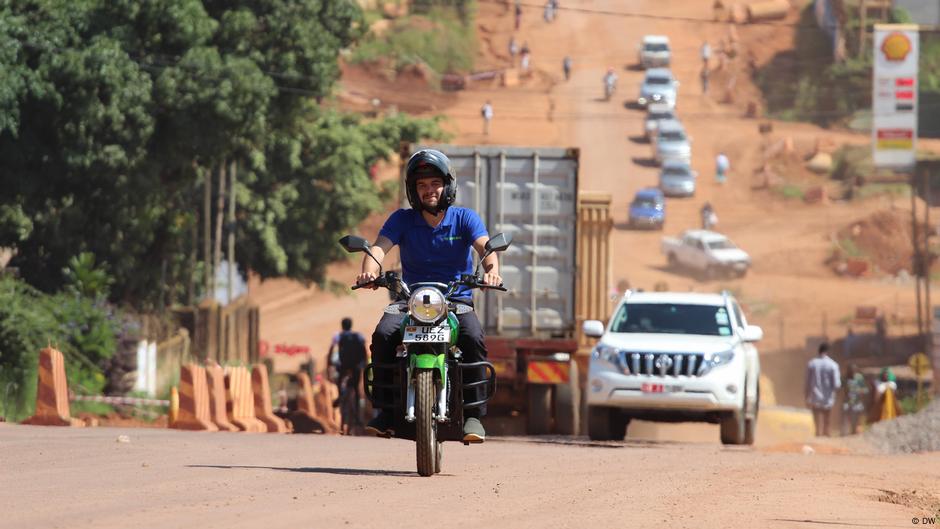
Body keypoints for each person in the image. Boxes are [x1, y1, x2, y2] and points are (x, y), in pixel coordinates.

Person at [358, 149, 503, 443]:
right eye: (422, 185)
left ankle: (474, 415)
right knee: (383, 334)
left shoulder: (465, 218)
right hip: (410, 300)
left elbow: (486, 249)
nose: (429, 190)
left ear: (447, 185)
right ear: (413, 190)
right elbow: (378, 249)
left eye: (435, 183)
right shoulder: (402, 220)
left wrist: (491, 272)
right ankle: (385, 412)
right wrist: (369, 273)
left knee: (473, 337)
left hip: (455, 301)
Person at [327, 317, 367, 425]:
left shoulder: (338, 336)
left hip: (344, 366)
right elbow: (364, 349)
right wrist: (365, 364)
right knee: (356, 390)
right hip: (356, 366)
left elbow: (331, 349)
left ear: (342, 325)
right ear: (351, 325)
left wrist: (329, 363)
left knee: (340, 383)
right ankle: (358, 415)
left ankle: (340, 397)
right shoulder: (358, 336)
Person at [805, 342, 841, 437]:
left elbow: (807, 382)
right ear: (828, 351)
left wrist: (806, 395)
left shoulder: (812, 363)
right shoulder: (833, 365)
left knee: (816, 413)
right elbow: (837, 384)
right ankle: (826, 431)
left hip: (815, 394)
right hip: (828, 395)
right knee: (827, 415)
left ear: (819, 351)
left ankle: (817, 431)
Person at [841, 364, 868, 435]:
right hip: (847, 401)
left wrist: (860, 391)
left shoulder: (859, 378)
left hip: (857, 401)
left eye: (853, 371)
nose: (852, 372)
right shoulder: (845, 378)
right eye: (850, 371)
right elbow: (841, 388)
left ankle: (854, 430)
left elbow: (865, 389)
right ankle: (845, 431)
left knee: (856, 417)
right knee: (845, 416)